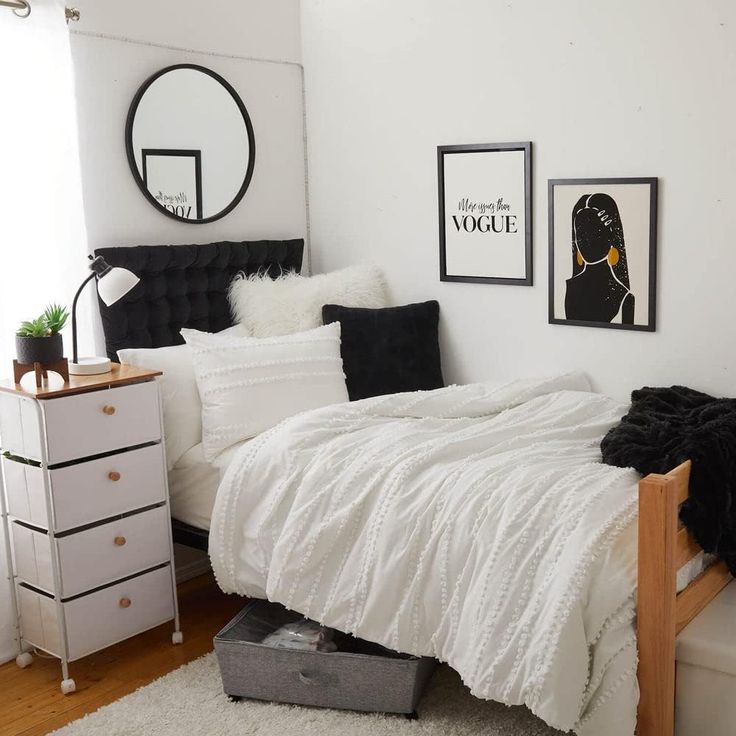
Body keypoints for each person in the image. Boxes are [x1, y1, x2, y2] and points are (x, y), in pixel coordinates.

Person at [564, 193, 634, 324]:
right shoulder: (569, 288)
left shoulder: (624, 296)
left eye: (595, 232)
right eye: (581, 233)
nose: (587, 241)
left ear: (611, 238)